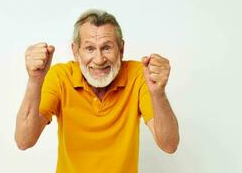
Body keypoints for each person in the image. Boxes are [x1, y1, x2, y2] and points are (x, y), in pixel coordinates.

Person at [14, 9, 179, 173]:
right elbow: (24, 140)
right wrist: (35, 81)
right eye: (90, 49)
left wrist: (158, 93)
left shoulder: (138, 75)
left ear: (121, 50)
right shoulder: (60, 77)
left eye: (107, 48)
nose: (99, 60)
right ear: (75, 51)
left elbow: (169, 145)